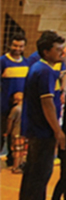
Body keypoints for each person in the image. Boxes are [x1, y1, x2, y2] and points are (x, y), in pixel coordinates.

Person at [18, 31, 66, 200]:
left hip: (36, 128)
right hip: (42, 129)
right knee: (41, 171)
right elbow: (47, 104)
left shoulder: (39, 68)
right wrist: (57, 130)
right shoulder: (44, 71)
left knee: (31, 169)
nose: (61, 52)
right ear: (46, 52)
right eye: (57, 49)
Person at [1, 34, 28, 168]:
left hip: (20, 107)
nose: (17, 48)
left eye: (20, 46)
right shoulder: (3, 61)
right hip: (3, 105)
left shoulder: (26, 63)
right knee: (2, 133)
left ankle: (12, 160)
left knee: (16, 135)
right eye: (15, 45)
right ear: (9, 45)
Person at [5, 93, 25, 173]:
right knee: (22, 151)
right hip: (24, 132)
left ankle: (15, 167)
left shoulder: (15, 109)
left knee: (17, 151)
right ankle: (20, 165)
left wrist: (7, 131)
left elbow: (10, 121)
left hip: (16, 132)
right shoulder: (26, 108)